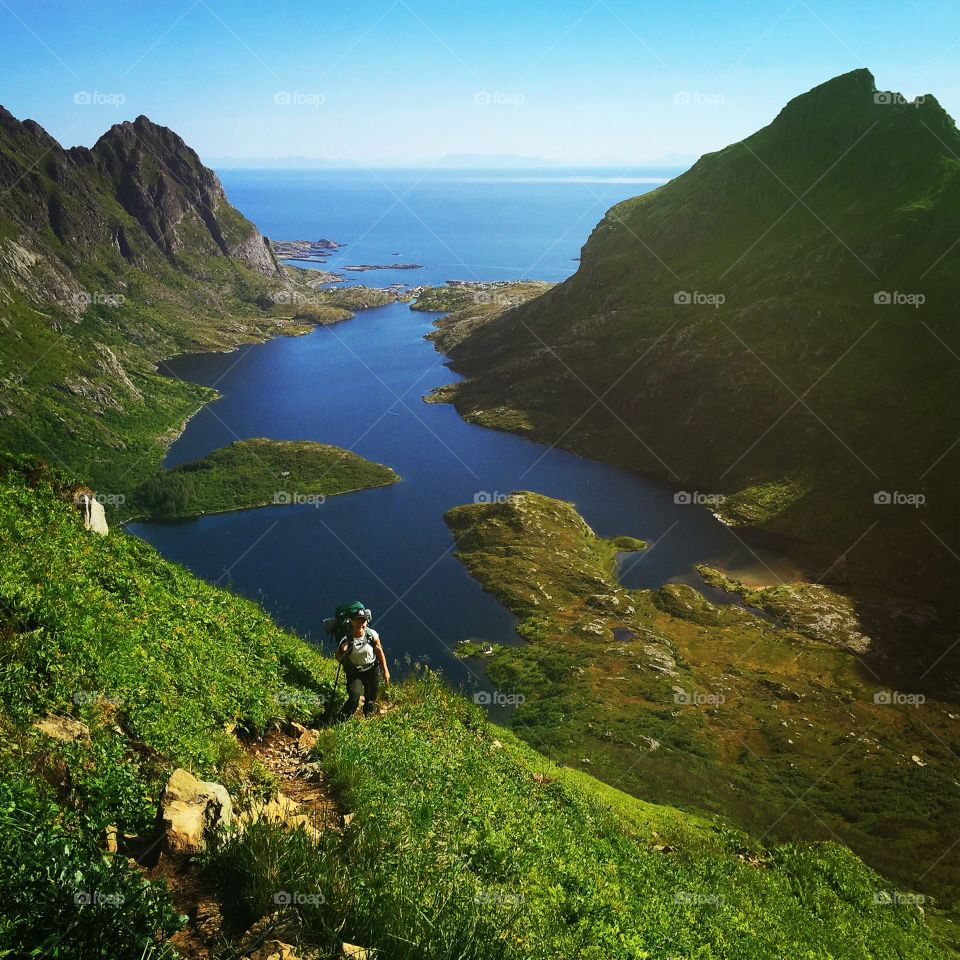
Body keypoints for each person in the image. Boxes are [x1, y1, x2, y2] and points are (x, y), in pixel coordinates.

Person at [335, 604, 390, 720]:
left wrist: (386, 670)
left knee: (371, 698)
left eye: (363, 621)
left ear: (366, 622)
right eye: (357, 621)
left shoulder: (372, 635)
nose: (360, 624)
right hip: (355, 673)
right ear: (352, 622)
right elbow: (338, 657)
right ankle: (339, 720)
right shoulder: (346, 639)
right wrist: (341, 649)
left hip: (372, 670)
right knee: (354, 699)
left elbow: (380, 652)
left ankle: (368, 717)